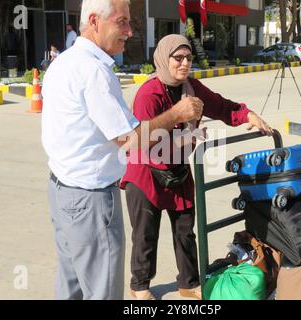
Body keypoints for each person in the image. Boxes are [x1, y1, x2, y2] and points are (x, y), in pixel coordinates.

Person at [41, 1, 203, 300]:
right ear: (94, 21)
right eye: (122, 22)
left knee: (72, 284)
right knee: (104, 292)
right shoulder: (94, 72)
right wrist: (177, 115)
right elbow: (131, 141)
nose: (129, 31)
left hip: (62, 190)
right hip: (91, 199)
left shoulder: (62, 63)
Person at [120, 34, 273, 300]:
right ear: (163, 59)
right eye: (177, 58)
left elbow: (222, 106)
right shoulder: (149, 93)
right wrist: (188, 136)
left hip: (178, 170)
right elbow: (145, 143)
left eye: (188, 58)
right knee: (145, 234)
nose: (184, 63)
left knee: (185, 230)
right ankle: (139, 286)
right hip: (145, 171)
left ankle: (188, 283)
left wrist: (247, 114)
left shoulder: (192, 88)